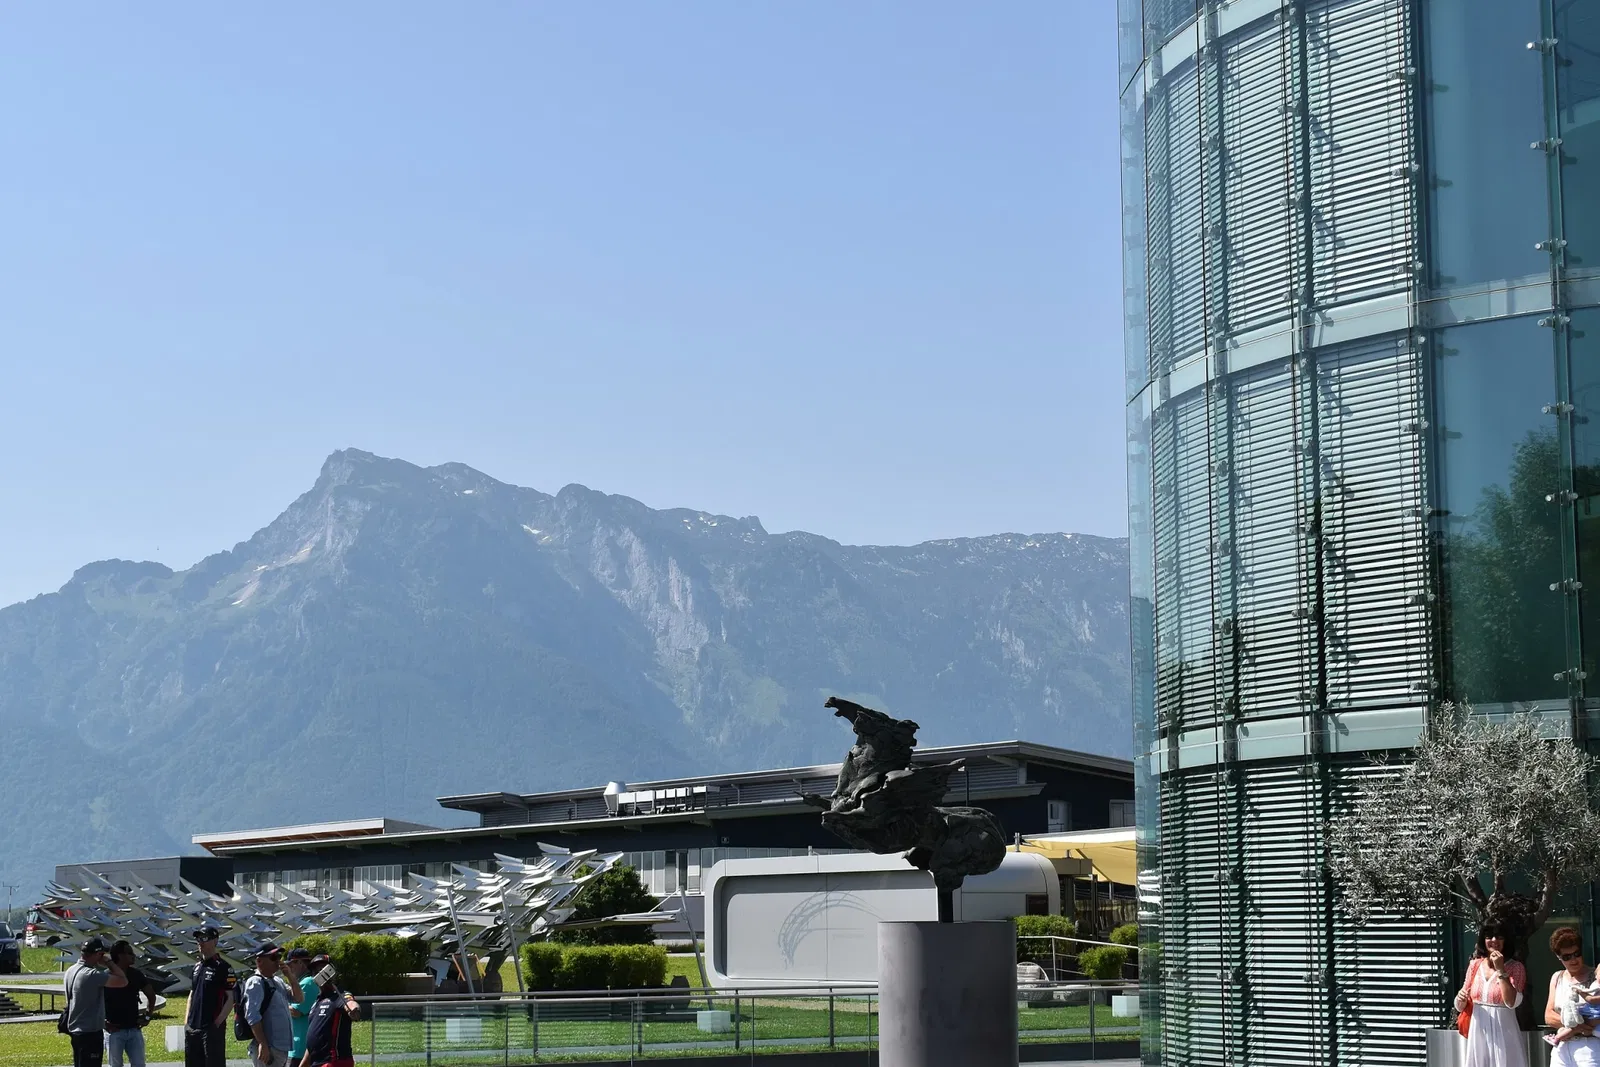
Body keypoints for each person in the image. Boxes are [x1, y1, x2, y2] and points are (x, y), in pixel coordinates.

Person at [1452, 920, 1527, 1067]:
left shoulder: (1516, 967)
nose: (1494, 940)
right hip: (1478, 1031)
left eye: (1499, 937)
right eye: (1489, 936)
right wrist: (1460, 999)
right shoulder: (1475, 965)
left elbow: (1511, 1002)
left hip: (1504, 1031)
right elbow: (1460, 1005)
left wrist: (1501, 970)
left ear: (1506, 940)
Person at [64, 936, 130, 1067]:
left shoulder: (71, 970)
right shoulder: (91, 974)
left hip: (76, 1030)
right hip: (90, 1033)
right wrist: (109, 963)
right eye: (102, 954)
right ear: (98, 954)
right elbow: (123, 981)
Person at [1546, 926, 1600, 1066]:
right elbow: (1549, 1016)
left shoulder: (1596, 976)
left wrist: (1575, 1025)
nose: (1574, 960)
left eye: (1577, 954)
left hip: (1590, 1047)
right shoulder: (1557, 977)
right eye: (1567, 957)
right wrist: (1578, 1026)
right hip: (1561, 1048)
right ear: (1559, 957)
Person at [103, 940, 158, 1067]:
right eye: (129, 953)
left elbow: (151, 995)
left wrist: (147, 1017)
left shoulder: (136, 974)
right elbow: (94, 1002)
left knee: (139, 1064)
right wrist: (103, 1022)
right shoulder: (106, 976)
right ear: (119, 955)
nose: (133, 956)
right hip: (113, 1031)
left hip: (134, 1029)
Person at [184, 927, 232, 1067]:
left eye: (204, 938)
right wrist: (187, 1022)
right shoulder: (197, 967)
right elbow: (192, 994)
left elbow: (231, 998)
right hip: (192, 1028)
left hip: (211, 1028)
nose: (200, 942)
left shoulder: (224, 967)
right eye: (198, 939)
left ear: (215, 941)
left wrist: (217, 1022)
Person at [243, 943, 294, 1067]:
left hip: (280, 1047)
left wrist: (290, 976)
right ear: (259, 961)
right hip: (269, 1047)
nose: (278, 961)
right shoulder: (255, 982)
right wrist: (263, 1044)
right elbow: (252, 1016)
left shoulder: (277, 980)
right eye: (273, 957)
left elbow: (298, 998)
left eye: (279, 956)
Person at [299, 965, 355, 1067]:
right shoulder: (317, 1002)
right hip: (317, 1063)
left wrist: (354, 1009)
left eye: (323, 969)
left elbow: (350, 1004)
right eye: (315, 971)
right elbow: (313, 1042)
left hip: (333, 1061)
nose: (319, 973)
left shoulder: (339, 996)